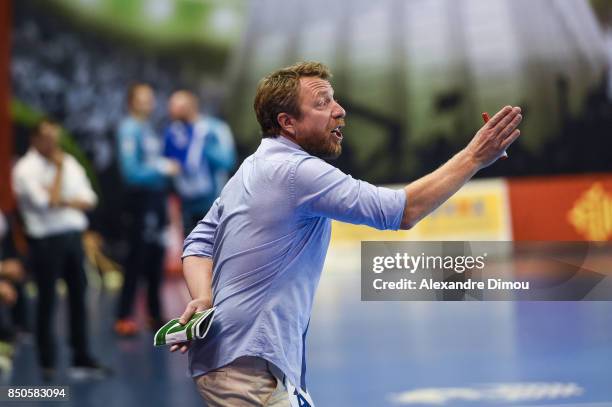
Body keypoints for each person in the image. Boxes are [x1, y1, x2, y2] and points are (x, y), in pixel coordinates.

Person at [172, 62, 523, 406]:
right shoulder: (297, 172)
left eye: (334, 100)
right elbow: (402, 210)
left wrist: (204, 298)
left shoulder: (251, 168)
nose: (339, 111)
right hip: (249, 369)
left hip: (230, 358)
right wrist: (475, 156)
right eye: (322, 103)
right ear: (288, 122)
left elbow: (198, 243)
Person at [12, 118, 109, 381]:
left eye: (55, 137)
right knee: (47, 300)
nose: (53, 142)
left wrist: (63, 201)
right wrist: (56, 175)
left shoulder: (69, 162)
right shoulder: (25, 169)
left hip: (73, 238)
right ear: (34, 139)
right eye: (47, 137)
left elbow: (90, 199)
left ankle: (81, 358)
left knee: (79, 297)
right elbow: (45, 203)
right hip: (45, 242)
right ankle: (47, 364)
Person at [114, 83, 180, 336]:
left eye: (150, 99)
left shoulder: (149, 129)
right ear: (131, 101)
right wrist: (161, 169)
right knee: (135, 257)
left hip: (156, 199)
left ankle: (155, 313)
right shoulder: (129, 129)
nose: (148, 104)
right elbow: (131, 173)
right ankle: (124, 314)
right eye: (142, 99)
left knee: (155, 255)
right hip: (139, 201)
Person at [164, 90, 236, 236]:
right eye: (172, 106)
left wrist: (202, 145)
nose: (173, 111)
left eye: (179, 106)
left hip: (212, 202)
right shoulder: (174, 131)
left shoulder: (215, 128)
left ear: (191, 106)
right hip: (185, 203)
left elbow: (228, 160)